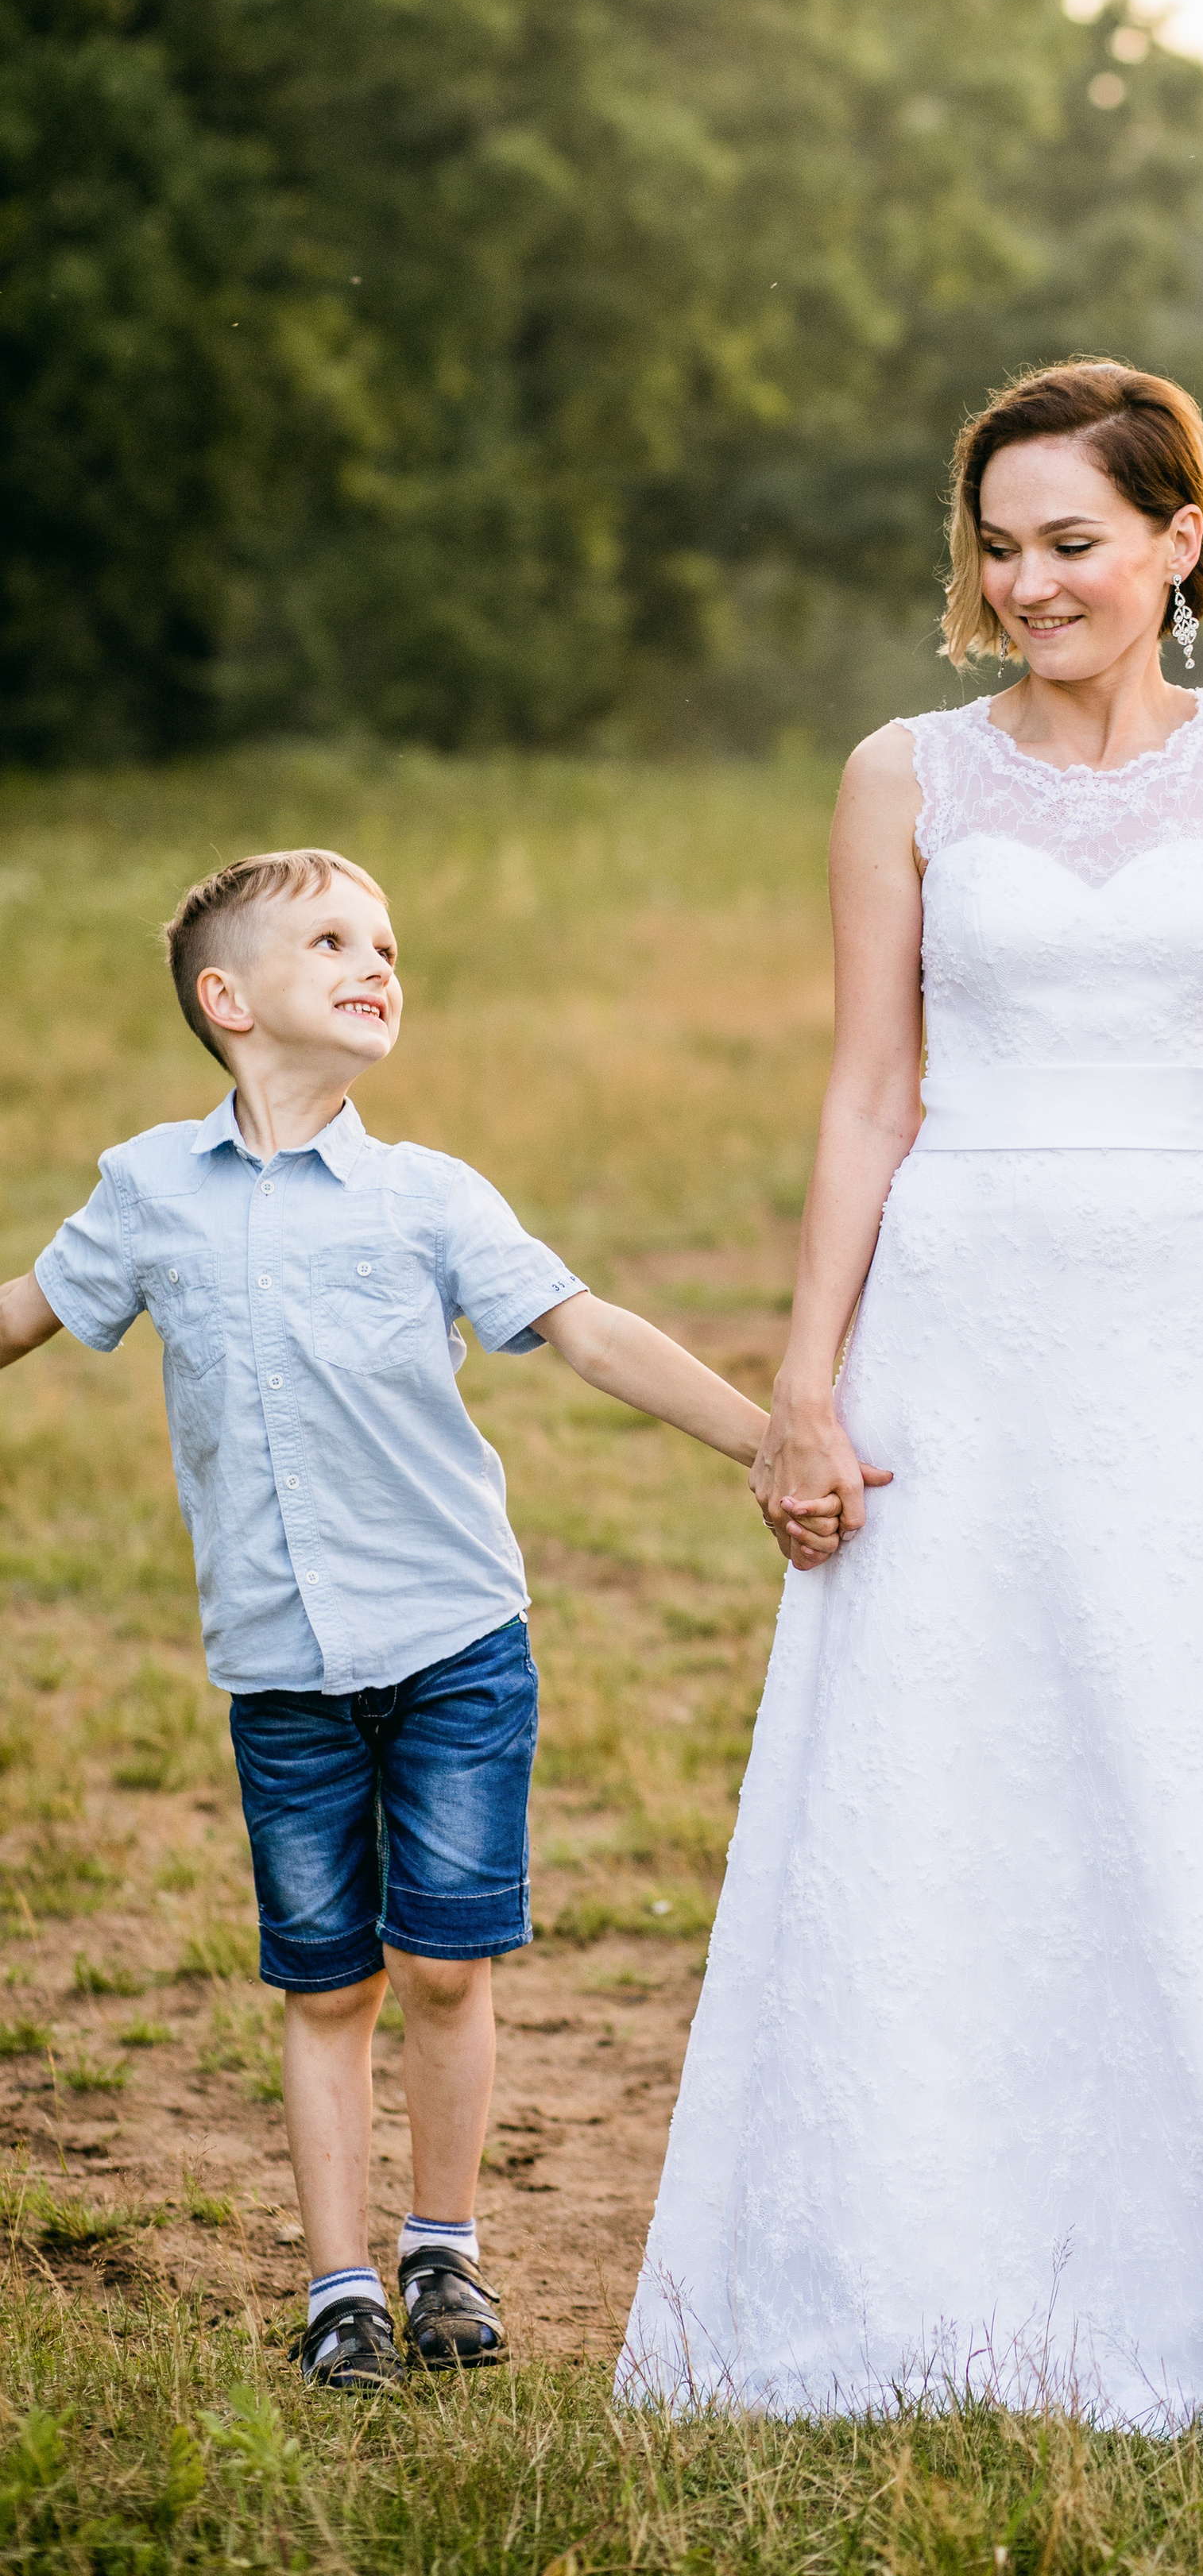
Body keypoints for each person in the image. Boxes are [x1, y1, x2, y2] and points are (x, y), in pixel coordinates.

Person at [621, 360, 1203, 2435]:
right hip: (963, 1319)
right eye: (997, 546)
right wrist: (806, 1382)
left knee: (1192, 1767)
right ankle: (905, 2284)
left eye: (1073, 541)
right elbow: (866, 1090)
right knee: (936, 1776)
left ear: (1181, 540)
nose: (1029, 582)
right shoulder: (901, 775)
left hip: (1190, 1329)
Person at [0, 849, 845, 2391]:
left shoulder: (427, 1197)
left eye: (386, 942)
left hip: (456, 1645)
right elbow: (25, 1312)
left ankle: (442, 2249)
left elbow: (585, 1332)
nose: (376, 962)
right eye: (332, 940)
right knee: (325, 1983)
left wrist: (768, 1435)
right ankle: (339, 2288)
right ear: (229, 1000)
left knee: (449, 1967)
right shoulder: (147, 1195)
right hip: (277, 1665)